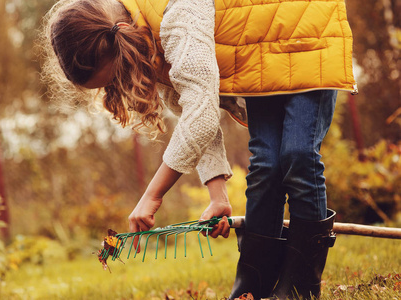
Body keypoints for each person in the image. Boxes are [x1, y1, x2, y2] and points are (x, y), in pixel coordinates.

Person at [42, 0, 357, 299]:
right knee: (266, 165)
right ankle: (253, 284)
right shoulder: (146, 33)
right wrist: (217, 194)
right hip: (259, 47)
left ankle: (301, 287)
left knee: (297, 157)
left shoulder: (178, 14)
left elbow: (202, 117)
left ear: (118, 42)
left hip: (309, 31)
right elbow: (190, 108)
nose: (119, 87)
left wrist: (153, 195)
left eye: (115, 77)